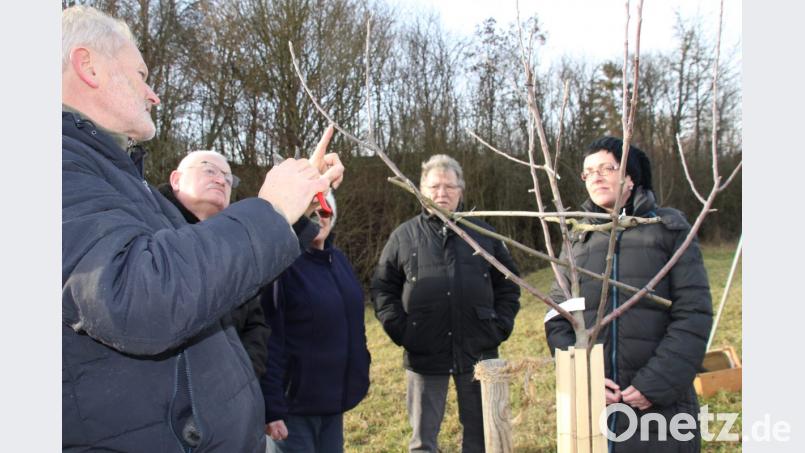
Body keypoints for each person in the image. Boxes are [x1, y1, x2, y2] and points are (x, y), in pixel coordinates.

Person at [62, 6, 343, 452]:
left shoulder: (114, 177)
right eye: (140, 74)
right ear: (88, 66)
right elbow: (139, 294)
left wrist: (296, 208)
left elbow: (211, 287)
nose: (153, 95)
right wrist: (272, 209)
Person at [545, 136, 713, 452]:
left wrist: (655, 383)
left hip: (659, 406)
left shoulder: (668, 228)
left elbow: (694, 314)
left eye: (606, 168)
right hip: (595, 407)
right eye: (588, 172)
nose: (595, 177)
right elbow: (557, 316)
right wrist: (584, 377)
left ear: (631, 177)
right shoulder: (577, 240)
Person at [371, 154, 521, 453]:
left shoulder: (484, 234)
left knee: (482, 436)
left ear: (461, 190)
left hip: (478, 351)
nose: (442, 193)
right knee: (423, 440)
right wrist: (404, 331)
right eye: (434, 186)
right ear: (421, 190)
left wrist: (498, 327)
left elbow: (509, 284)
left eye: (450, 186)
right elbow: (383, 288)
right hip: (424, 352)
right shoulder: (403, 236)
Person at [261, 192, 371, 453]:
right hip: (294, 409)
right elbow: (268, 338)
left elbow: (354, 323)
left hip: (333, 401)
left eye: (324, 212)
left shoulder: (338, 260)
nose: (318, 218)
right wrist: (271, 406)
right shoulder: (280, 266)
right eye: (310, 211)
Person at [158, 150, 271, 378]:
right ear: (176, 179)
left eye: (229, 179)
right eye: (209, 170)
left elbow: (254, 325)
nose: (221, 180)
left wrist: (242, 376)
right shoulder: (148, 229)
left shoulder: (236, 246)